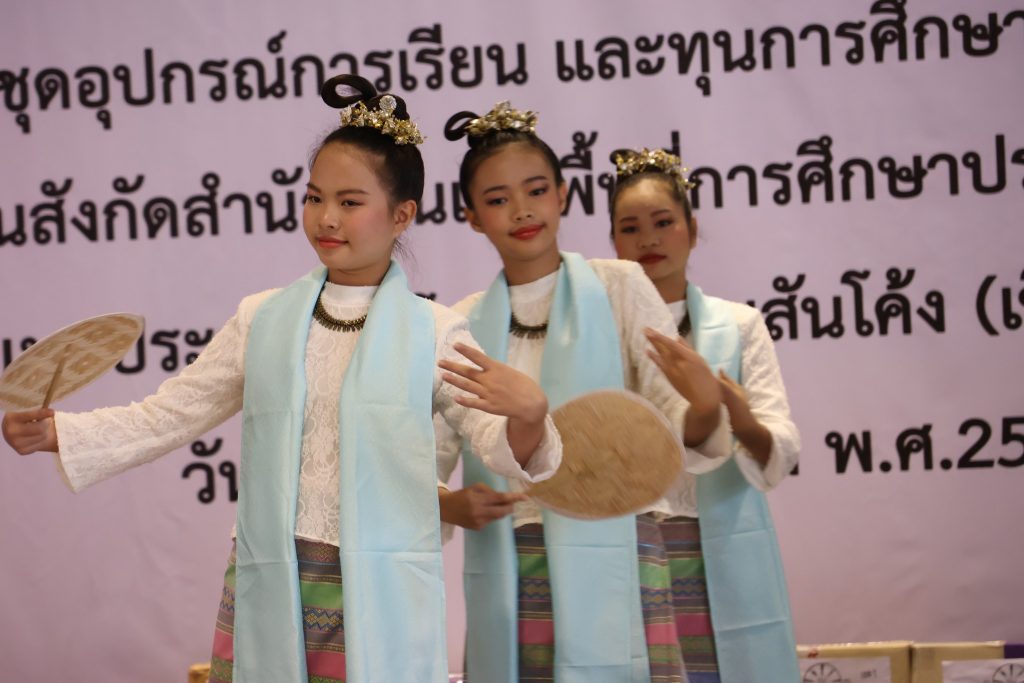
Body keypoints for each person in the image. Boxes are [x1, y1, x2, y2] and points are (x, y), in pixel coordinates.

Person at [0, 76, 564, 683]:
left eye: (350, 202)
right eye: (314, 197)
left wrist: (529, 414)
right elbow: (171, 413)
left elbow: (498, 445)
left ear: (402, 214)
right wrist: (63, 433)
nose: (326, 218)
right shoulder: (261, 319)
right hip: (271, 579)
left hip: (379, 596)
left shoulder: (435, 332)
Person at [436, 102, 727, 683]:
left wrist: (705, 404)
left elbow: (672, 428)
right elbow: (429, 454)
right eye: (497, 199)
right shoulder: (459, 323)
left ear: (563, 195)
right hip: (515, 556)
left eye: (536, 190)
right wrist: (449, 504)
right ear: (471, 216)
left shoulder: (621, 285)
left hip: (618, 540)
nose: (522, 210)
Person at [609, 146, 801, 683]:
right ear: (613, 244)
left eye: (663, 222)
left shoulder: (739, 325)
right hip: (629, 541)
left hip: (716, 542)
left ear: (692, 230)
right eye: (630, 228)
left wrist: (739, 418)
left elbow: (780, 444)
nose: (648, 239)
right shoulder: (600, 330)